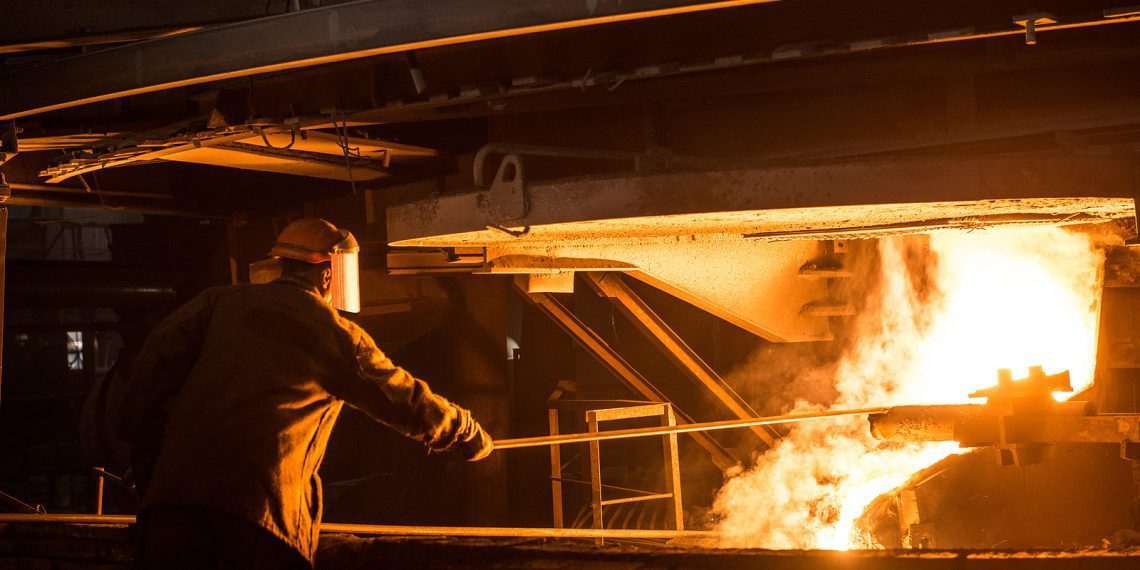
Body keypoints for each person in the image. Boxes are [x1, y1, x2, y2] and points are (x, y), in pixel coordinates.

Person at [118, 218, 493, 569]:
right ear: (328, 272)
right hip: (256, 524)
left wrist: (146, 463)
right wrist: (466, 431)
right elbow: (401, 397)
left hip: (169, 518)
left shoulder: (217, 304)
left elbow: (146, 375)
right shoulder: (332, 333)